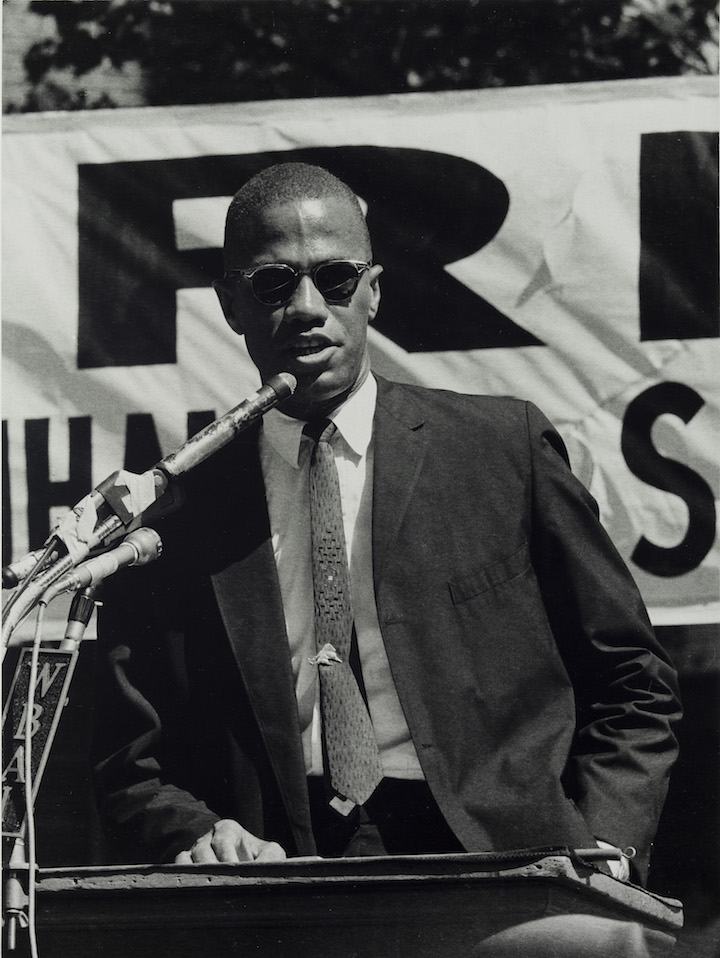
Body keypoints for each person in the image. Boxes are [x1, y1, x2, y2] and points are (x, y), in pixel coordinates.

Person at [92, 163, 681, 897]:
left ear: (374, 291)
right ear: (231, 305)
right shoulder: (177, 509)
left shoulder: (503, 449)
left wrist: (605, 844)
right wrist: (194, 831)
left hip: (513, 870)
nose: (308, 308)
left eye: (335, 278)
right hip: (279, 883)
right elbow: (128, 757)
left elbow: (631, 680)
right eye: (275, 283)